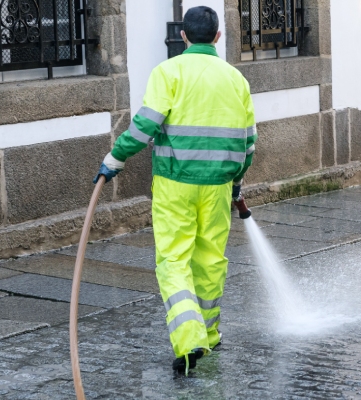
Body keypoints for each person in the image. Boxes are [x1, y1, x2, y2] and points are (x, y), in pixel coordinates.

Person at [93, 6, 256, 375]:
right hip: (217, 187)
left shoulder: (168, 72)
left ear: (183, 36)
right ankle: (210, 334)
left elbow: (144, 127)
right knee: (210, 260)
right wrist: (236, 183)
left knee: (174, 261)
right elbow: (248, 144)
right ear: (217, 37)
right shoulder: (236, 80)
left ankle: (189, 340)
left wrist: (116, 157)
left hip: (175, 184)